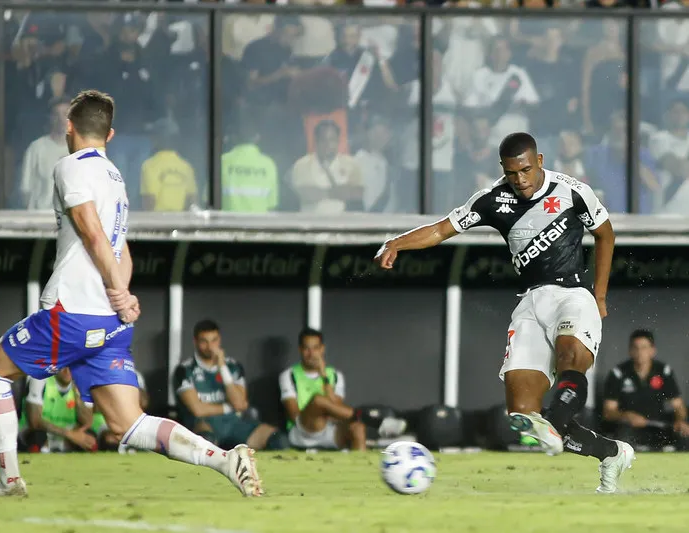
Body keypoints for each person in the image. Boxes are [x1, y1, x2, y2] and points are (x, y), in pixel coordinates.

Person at [0, 90, 262, 498]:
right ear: (110, 134)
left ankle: (10, 481)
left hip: (71, 310)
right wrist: (122, 295)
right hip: (109, 321)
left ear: (68, 128)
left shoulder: (69, 166)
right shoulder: (115, 177)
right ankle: (225, 459)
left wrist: (115, 289)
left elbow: (92, 232)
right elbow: (121, 247)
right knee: (130, 423)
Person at [374, 132, 633, 493]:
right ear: (503, 170)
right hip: (530, 301)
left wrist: (600, 296)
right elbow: (441, 229)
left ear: (539, 160)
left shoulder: (573, 191)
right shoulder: (493, 198)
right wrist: (395, 243)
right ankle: (611, 453)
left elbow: (605, 235)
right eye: (513, 173)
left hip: (573, 295)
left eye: (526, 170)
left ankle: (557, 421)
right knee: (523, 415)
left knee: (569, 358)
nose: (521, 180)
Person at [278, 328, 406, 451]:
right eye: (307, 348)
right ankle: (374, 421)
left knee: (358, 428)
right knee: (317, 400)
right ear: (300, 349)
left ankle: (359, 469)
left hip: (329, 430)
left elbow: (337, 409)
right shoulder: (289, 375)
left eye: (315, 348)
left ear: (322, 349)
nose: (311, 354)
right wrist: (318, 411)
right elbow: (294, 415)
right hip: (302, 432)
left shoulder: (334, 375)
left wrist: (324, 377)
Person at [173, 320, 288, 451]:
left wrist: (222, 367)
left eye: (214, 340)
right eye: (204, 341)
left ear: (219, 339)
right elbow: (198, 409)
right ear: (195, 341)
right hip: (204, 423)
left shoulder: (233, 367)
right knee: (206, 440)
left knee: (278, 440)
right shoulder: (184, 370)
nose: (210, 346)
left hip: (233, 424)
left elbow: (239, 403)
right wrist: (229, 407)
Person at [602, 329, 689, 450]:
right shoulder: (618, 373)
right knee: (623, 439)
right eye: (635, 348)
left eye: (644, 348)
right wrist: (627, 416)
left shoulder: (663, 371)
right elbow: (608, 412)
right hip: (629, 427)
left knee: (684, 434)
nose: (639, 352)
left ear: (653, 351)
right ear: (630, 351)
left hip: (658, 426)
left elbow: (678, 405)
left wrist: (680, 421)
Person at [18, 368, 98, 453]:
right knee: (37, 435)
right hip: (43, 432)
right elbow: (35, 421)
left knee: (89, 436)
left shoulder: (81, 381)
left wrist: (77, 390)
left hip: (66, 435)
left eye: (71, 366)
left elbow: (87, 422)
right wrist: (70, 435)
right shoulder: (40, 378)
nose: (67, 370)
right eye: (64, 366)